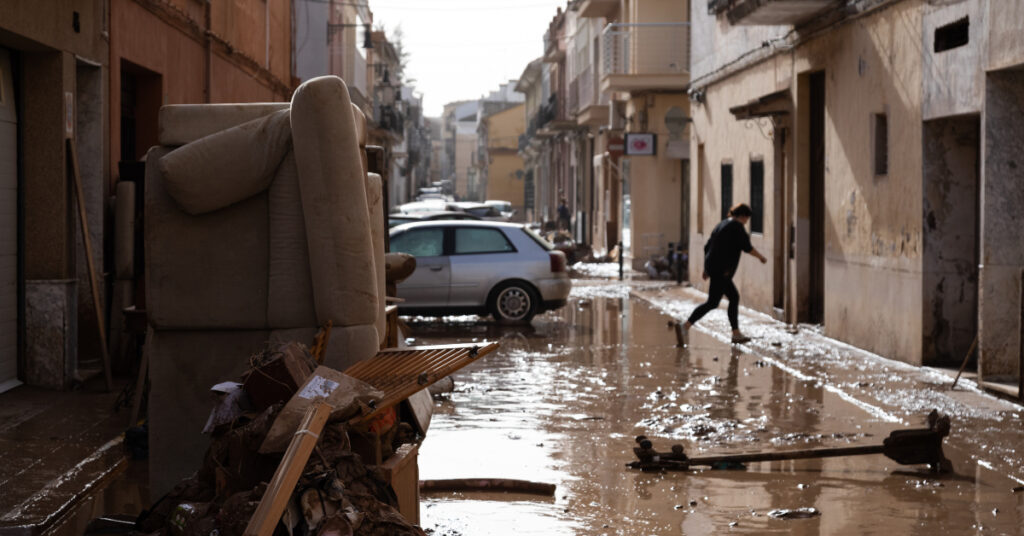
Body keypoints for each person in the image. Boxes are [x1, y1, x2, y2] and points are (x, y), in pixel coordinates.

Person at [680, 203, 767, 345]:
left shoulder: (721, 224)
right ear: (744, 216)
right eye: (747, 218)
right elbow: (747, 248)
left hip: (715, 268)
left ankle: (735, 333)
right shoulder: (737, 227)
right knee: (715, 302)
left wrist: (707, 268)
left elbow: (708, 246)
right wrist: (761, 257)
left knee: (729, 298)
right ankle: (686, 325)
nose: (747, 221)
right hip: (722, 271)